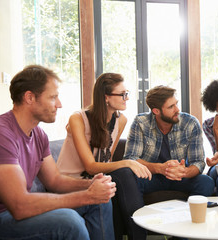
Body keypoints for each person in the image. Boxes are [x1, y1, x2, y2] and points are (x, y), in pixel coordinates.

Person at [0, 65, 116, 240]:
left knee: (100, 202)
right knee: (69, 222)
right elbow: (19, 206)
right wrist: (86, 196)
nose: (59, 104)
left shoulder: (38, 134)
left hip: (18, 210)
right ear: (30, 97)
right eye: (53, 97)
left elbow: (55, 180)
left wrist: (91, 185)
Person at [57, 73, 151, 240]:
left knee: (122, 176)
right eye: (122, 94)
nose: (126, 98)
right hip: (71, 182)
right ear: (106, 97)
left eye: (126, 93)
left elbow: (106, 161)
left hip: (97, 179)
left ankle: (137, 236)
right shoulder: (78, 119)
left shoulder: (121, 121)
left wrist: (125, 166)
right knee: (123, 172)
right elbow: (91, 166)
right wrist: (128, 162)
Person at [124, 85, 214, 198]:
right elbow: (131, 158)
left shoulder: (190, 123)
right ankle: (137, 216)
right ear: (156, 111)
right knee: (127, 180)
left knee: (206, 182)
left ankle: (188, 214)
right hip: (152, 176)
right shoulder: (140, 123)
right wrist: (160, 168)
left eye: (176, 103)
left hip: (180, 176)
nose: (177, 109)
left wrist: (184, 172)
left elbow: (198, 162)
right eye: (171, 106)